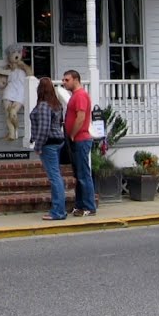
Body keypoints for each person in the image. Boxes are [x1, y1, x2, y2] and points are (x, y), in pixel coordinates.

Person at [30, 76, 67, 220]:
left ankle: (58, 211)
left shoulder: (44, 105)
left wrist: (38, 146)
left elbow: (44, 129)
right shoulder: (56, 104)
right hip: (58, 141)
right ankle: (59, 209)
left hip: (49, 144)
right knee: (56, 176)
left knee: (54, 178)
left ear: (40, 89)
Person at [63, 68, 96, 216]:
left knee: (83, 175)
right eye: (64, 80)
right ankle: (79, 205)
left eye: (67, 80)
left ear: (76, 80)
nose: (64, 83)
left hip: (81, 139)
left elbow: (81, 117)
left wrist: (72, 134)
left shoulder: (81, 95)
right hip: (77, 140)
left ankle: (89, 207)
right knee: (78, 175)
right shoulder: (74, 95)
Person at [0, 43, 30, 140]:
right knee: (8, 113)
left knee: (13, 112)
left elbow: (31, 75)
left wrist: (24, 65)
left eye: (18, 52)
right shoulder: (6, 69)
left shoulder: (23, 67)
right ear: (9, 56)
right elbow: (2, 85)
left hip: (20, 92)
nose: (16, 54)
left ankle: (15, 130)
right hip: (9, 91)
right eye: (13, 52)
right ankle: (12, 134)